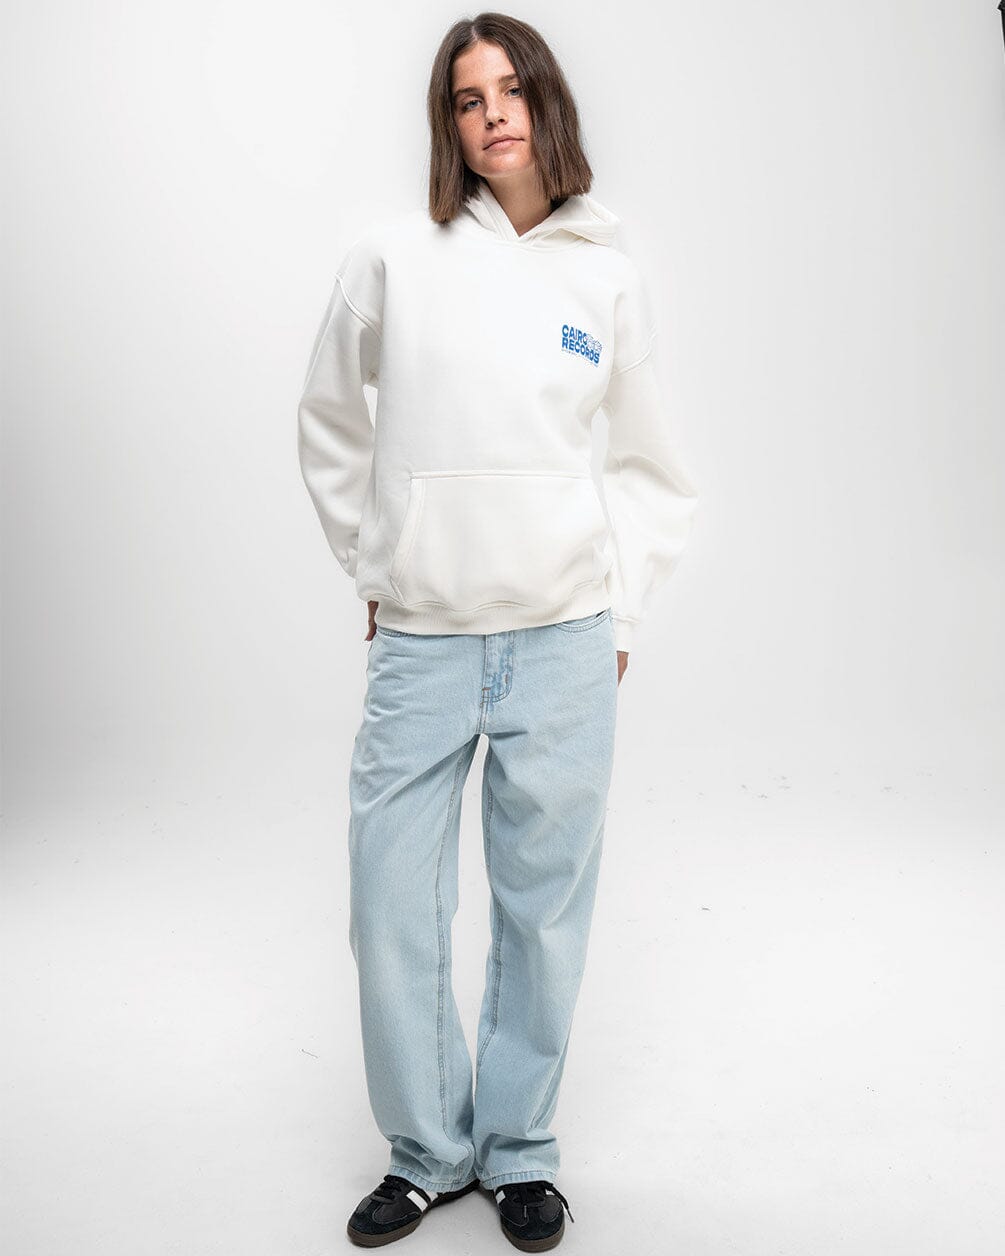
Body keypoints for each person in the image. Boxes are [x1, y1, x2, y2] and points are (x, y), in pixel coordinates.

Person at [297, 12, 700, 1251]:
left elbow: (650, 463)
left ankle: (519, 1149)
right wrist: (371, 560)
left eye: (511, 90)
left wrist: (623, 608)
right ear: (449, 125)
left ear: (546, 102)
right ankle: (427, 1151)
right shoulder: (392, 256)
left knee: (542, 910)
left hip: (564, 639)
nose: (493, 116)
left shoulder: (605, 273)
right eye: (467, 100)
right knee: (390, 904)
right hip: (424, 637)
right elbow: (327, 414)